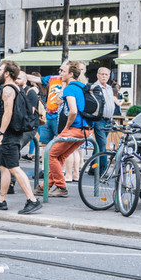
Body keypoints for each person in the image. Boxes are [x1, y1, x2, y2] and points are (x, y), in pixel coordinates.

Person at [0, 61, 42, 215]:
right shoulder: (17, 88)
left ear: (7, 73)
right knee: (4, 167)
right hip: (15, 132)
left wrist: (1, 133)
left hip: (10, 135)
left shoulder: (7, 89)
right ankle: (1, 200)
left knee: (14, 168)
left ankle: (32, 200)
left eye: (0, 70)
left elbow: (8, 112)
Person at [36, 61, 92, 197]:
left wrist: (67, 126)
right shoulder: (82, 86)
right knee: (59, 156)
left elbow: (73, 111)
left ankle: (61, 187)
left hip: (75, 128)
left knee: (50, 154)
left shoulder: (69, 88)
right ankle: (44, 187)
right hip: (86, 129)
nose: (60, 73)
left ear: (71, 74)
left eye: (63, 71)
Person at [92, 66, 123, 171]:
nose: (104, 76)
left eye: (106, 74)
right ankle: (103, 170)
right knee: (103, 144)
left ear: (109, 76)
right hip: (99, 120)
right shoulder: (94, 87)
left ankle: (92, 168)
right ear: (98, 75)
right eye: (102, 74)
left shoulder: (110, 88)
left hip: (108, 120)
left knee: (99, 145)